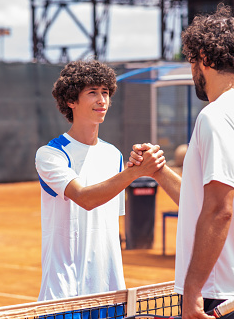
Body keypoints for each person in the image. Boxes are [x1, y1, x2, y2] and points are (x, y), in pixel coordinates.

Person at [129, 4, 234, 319]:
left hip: (218, 295)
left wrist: (192, 292)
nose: (190, 68)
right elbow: (204, 201)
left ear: (203, 59)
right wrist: (160, 172)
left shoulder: (215, 118)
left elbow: (220, 210)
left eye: (191, 60)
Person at [35, 59, 165, 301]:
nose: (102, 100)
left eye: (105, 92)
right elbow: (85, 198)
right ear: (70, 101)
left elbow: (107, 224)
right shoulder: (50, 154)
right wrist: (135, 172)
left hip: (109, 292)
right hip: (64, 292)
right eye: (92, 93)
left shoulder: (113, 154)